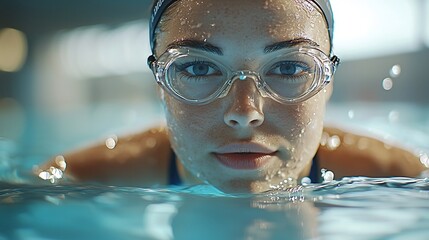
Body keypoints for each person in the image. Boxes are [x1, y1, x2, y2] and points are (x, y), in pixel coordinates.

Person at [39, 0, 426, 193]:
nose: (244, 114)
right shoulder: (78, 178)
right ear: (160, 83)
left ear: (328, 83)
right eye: (198, 68)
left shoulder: (401, 176)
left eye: (289, 68)